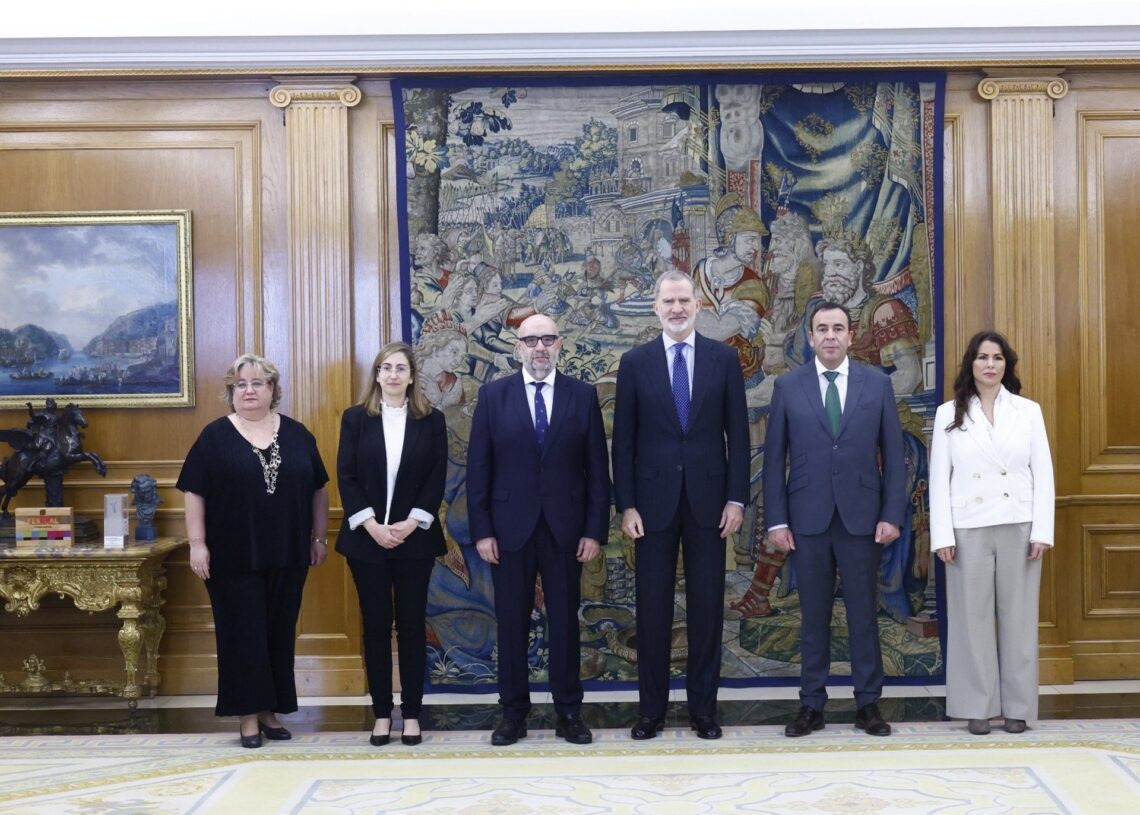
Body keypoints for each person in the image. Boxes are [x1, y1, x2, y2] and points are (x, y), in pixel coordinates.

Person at [611, 269, 749, 741]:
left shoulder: (723, 359)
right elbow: (623, 442)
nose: (676, 308)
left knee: (706, 609)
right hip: (651, 507)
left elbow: (738, 435)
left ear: (698, 306)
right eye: (668, 301)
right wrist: (627, 505)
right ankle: (651, 711)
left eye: (683, 300)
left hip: (710, 504)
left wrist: (736, 499)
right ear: (656, 308)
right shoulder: (635, 362)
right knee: (652, 609)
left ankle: (703, 712)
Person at [466, 313, 611, 746]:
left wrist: (594, 531)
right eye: (531, 340)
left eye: (547, 339)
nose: (540, 347)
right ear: (518, 348)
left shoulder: (581, 395)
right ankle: (513, 714)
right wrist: (482, 531)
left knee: (564, 623)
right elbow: (478, 470)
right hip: (508, 530)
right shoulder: (493, 396)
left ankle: (568, 712)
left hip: (567, 529)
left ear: (559, 344)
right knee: (511, 623)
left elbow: (597, 471)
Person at [762, 301, 905, 738]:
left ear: (850, 335)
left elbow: (894, 456)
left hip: (863, 518)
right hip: (807, 518)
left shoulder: (877, 384)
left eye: (837, 328)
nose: (829, 336)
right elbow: (774, 460)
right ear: (810, 337)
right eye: (821, 329)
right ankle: (811, 705)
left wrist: (892, 514)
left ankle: (868, 704)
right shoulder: (788, 386)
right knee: (813, 616)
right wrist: (777, 521)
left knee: (863, 615)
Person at [178, 353, 329, 748]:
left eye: (257, 383)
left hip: (288, 553)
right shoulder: (214, 436)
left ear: (272, 389)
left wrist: (318, 539)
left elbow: (319, 489)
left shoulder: (298, 434)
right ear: (231, 392)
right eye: (240, 384)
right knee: (242, 634)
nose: (248, 390)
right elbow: (193, 491)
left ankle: (269, 711)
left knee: (278, 632)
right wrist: (197, 544)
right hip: (231, 557)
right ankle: (247, 715)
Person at [929, 331, 1054, 736]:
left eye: (997, 358)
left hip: (1019, 524)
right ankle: (976, 706)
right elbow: (939, 479)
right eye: (982, 357)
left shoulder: (1028, 411)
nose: (989, 365)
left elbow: (1043, 473)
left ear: (1006, 365)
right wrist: (942, 535)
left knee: (1019, 619)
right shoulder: (948, 414)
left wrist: (1042, 530)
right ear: (971, 364)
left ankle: (1018, 707)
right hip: (967, 527)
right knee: (971, 620)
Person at [336, 341, 447, 747]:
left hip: (414, 540)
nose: (393, 374)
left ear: (412, 376)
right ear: (377, 375)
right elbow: (346, 475)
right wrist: (372, 526)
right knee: (376, 627)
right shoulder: (355, 419)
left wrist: (411, 523)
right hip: (367, 542)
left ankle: (412, 714)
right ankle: (382, 713)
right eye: (386, 368)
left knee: (413, 627)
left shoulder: (431, 420)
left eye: (401, 368)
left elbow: (437, 476)